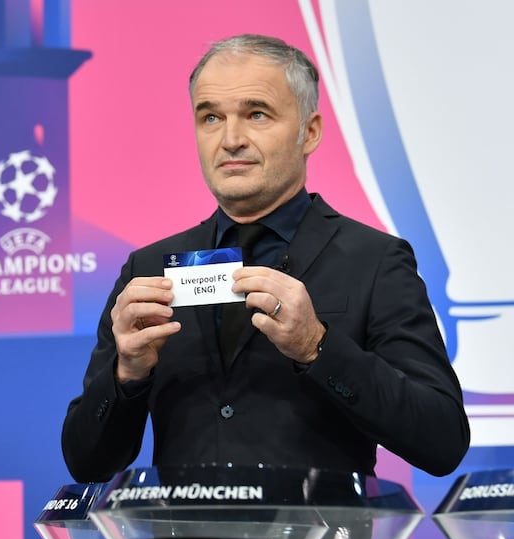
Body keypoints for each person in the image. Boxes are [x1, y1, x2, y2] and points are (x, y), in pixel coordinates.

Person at [61, 34, 470, 484]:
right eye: (211, 117)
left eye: (257, 114)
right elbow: (87, 463)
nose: (231, 139)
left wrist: (317, 346)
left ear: (308, 132)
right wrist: (126, 375)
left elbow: (442, 439)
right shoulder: (148, 269)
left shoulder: (375, 260)